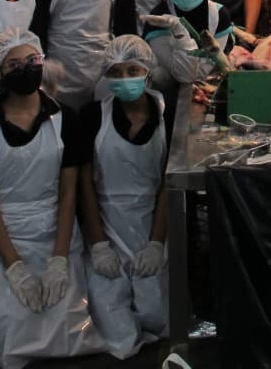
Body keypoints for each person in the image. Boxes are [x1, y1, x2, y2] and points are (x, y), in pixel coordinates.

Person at [0, 28, 102, 368]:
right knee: (9, 328)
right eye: (14, 65)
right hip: (1, 232)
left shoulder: (65, 119)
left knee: (67, 322)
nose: (26, 69)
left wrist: (59, 259)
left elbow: (68, 192)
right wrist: (15, 267)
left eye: (32, 60)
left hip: (53, 227)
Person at [79, 36, 171, 357]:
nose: (124, 78)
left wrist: (156, 243)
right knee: (114, 325)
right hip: (106, 224)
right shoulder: (93, 116)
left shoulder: (167, 114)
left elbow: (168, 184)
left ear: (147, 71)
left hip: (153, 221)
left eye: (132, 70)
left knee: (157, 312)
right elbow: (85, 184)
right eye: (116, 72)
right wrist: (98, 245)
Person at [139, 0, 234, 104]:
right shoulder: (159, 17)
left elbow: (207, 69)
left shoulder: (219, 15)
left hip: (206, 88)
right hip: (165, 93)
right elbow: (183, 75)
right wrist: (180, 33)